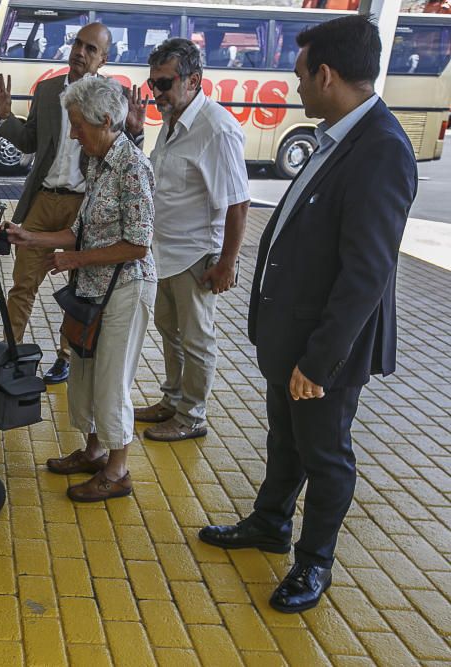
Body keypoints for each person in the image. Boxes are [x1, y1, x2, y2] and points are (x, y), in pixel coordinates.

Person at [199, 16, 417, 614]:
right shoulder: (339, 136)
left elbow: (366, 274)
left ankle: (313, 561)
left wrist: (320, 361)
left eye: (300, 75)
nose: (295, 88)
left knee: (325, 456)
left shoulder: (381, 150)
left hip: (325, 349)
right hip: (291, 336)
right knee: (285, 441)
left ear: (326, 73)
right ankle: (270, 523)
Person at [6, 77, 155, 503]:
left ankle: (117, 469)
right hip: (94, 288)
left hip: (126, 287)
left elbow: (139, 243)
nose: (72, 134)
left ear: (106, 120)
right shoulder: (98, 161)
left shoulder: (131, 167)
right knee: (84, 375)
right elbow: (81, 232)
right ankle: (93, 451)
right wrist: (31, 238)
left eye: (77, 125)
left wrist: (76, 260)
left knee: (111, 380)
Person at [124, 38, 250, 442]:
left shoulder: (216, 128)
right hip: (164, 251)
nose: (156, 93)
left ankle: (192, 415)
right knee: (169, 330)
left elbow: (238, 204)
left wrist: (227, 262)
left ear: (194, 80)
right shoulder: (172, 122)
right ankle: (173, 400)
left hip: (197, 254)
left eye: (164, 83)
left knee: (197, 339)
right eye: (152, 84)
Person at [0, 22, 113, 385]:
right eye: (78, 44)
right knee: (22, 285)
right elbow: (29, 141)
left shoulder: (108, 97)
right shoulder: (45, 92)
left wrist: (135, 130)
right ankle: (9, 354)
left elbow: (119, 148)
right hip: (43, 201)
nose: (81, 52)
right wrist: (4, 117)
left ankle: (65, 357)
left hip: (83, 206)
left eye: (91, 49)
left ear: (103, 59)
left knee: (80, 287)